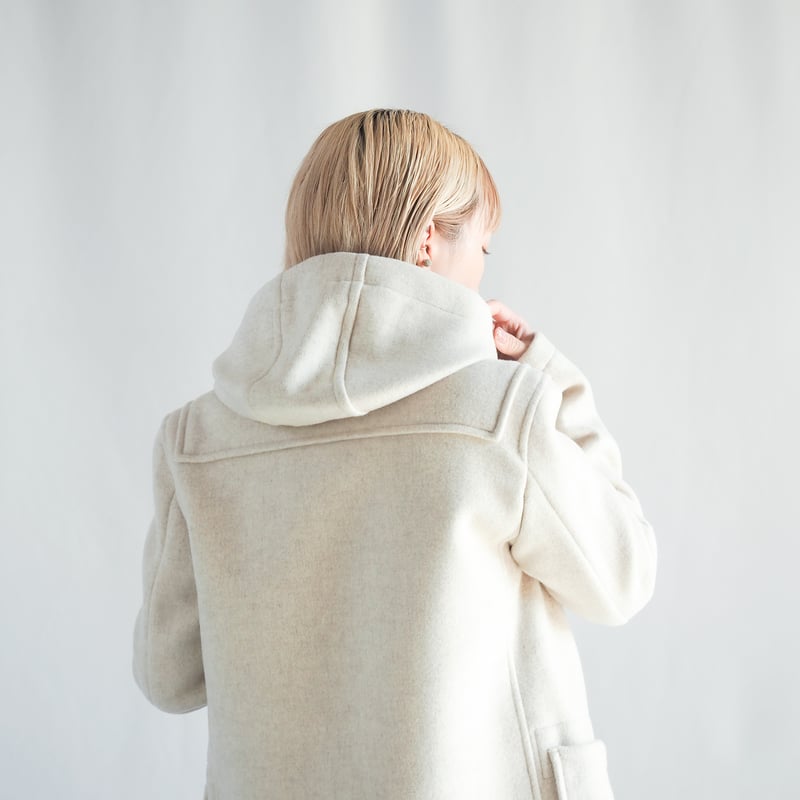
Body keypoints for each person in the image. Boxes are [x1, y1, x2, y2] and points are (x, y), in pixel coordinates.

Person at [132, 108, 657, 800]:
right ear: (426, 241)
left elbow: (167, 678)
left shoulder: (197, 439)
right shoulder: (502, 414)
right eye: (482, 248)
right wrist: (551, 377)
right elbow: (622, 576)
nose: (482, 273)